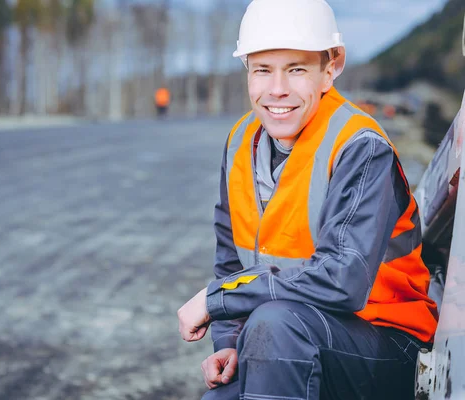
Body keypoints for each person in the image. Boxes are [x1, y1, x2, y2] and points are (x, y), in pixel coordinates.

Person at [176, 0, 439, 399]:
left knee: (276, 324)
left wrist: (218, 301)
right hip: (293, 336)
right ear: (247, 69)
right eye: (263, 70)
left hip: (387, 342)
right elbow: (231, 259)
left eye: (296, 69)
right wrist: (228, 339)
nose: (277, 89)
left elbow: (343, 280)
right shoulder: (239, 143)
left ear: (330, 68)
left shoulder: (358, 147)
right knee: (220, 396)